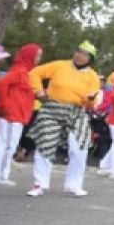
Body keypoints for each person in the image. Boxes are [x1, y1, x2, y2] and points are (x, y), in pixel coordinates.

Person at [26, 41, 101, 198]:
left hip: (76, 112)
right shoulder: (60, 65)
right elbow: (34, 73)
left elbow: (91, 99)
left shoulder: (93, 76)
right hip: (52, 108)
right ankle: (40, 183)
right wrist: (38, 91)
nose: (80, 55)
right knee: (45, 142)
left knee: (80, 146)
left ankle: (73, 185)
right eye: (78, 51)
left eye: (85, 54)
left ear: (90, 58)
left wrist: (91, 99)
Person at [0, 43, 40, 187]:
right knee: (8, 144)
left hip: (16, 114)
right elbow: (2, 86)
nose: (38, 59)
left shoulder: (24, 72)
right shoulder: (19, 71)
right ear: (29, 56)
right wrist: (4, 106)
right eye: (37, 55)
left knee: (7, 143)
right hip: (11, 114)